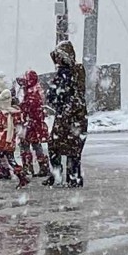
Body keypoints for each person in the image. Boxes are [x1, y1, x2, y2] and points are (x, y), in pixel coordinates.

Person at [44, 41, 88, 188]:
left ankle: (65, 177)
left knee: (64, 148)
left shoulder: (70, 72)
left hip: (70, 116)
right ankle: (67, 176)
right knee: (64, 147)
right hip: (71, 116)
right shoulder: (70, 72)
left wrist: (58, 99)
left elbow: (61, 94)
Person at [0, 89, 29, 189]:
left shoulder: (1, 115)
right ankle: (21, 177)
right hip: (8, 142)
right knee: (9, 160)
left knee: (0, 161)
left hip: (1, 143)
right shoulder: (11, 113)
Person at [16, 70, 50, 178]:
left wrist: (23, 114)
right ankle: (42, 166)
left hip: (30, 125)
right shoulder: (34, 92)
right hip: (33, 125)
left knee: (26, 146)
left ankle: (28, 167)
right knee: (36, 145)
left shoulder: (31, 95)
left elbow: (29, 110)